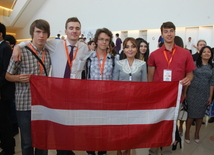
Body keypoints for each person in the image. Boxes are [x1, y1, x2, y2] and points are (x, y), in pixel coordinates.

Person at [13, 17, 91, 155]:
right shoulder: (54, 45)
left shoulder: (84, 48)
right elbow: (36, 42)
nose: (74, 31)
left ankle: (67, 151)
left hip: (74, 97)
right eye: (71, 28)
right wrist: (18, 46)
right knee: (57, 129)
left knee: (70, 129)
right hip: (56, 96)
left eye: (77, 28)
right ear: (65, 30)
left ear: (80, 31)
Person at [147, 21, 195, 155]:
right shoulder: (154, 54)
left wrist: (188, 79)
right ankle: (153, 151)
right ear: (161, 34)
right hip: (157, 98)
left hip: (175, 98)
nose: (169, 34)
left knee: (170, 127)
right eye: (166, 31)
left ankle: (167, 152)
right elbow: (150, 78)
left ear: (175, 33)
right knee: (155, 125)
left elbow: (190, 73)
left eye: (171, 31)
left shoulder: (185, 54)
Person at [6, 19, 51, 155]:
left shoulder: (48, 52)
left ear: (48, 35)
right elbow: (8, 75)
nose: (41, 35)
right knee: (26, 142)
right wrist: (18, 78)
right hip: (24, 104)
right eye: (38, 32)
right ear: (32, 33)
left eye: (44, 32)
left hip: (42, 104)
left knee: (42, 141)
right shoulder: (21, 51)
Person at [113, 37, 147, 155]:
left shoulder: (142, 64)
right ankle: (118, 149)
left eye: (133, 46)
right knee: (120, 127)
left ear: (137, 49)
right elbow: (114, 85)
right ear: (124, 49)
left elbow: (144, 86)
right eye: (127, 47)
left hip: (135, 102)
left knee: (131, 128)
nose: (130, 49)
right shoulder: (118, 64)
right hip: (120, 102)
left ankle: (128, 149)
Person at [185, 46, 214, 144]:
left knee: (200, 116)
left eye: (208, 52)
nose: (206, 53)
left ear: (211, 54)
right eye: (204, 52)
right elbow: (188, 78)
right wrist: (185, 93)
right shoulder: (194, 64)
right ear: (200, 54)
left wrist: (210, 96)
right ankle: (187, 133)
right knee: (191, 115)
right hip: (193, 92)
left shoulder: (212, 67)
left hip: (204, 93)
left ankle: (197, 133)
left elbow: (212, 82)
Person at [0, 23, 15, 155]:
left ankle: (8, 148)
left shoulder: (4, 48)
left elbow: (5, 72)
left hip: (3, 92)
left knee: (4, 121)